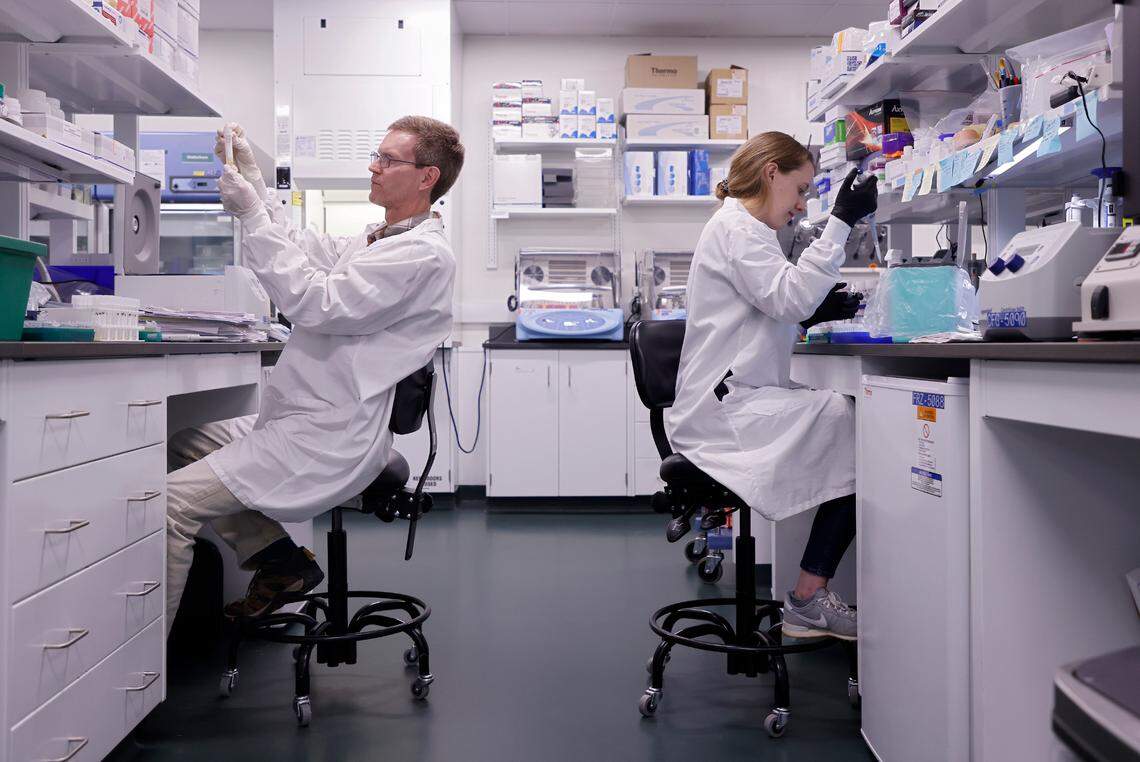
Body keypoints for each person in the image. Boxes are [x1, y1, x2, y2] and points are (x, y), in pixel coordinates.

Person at [165, 116, 465, 630]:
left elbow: (317, 302)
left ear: (426, 177)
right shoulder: (382, 238)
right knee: (189, 441)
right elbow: (305, 248)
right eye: (377, 153)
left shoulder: (422, 255)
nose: (374, 166)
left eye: (389, 160)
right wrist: (255, 184)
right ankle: (279, 562)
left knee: (168, 504)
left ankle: (141, 678)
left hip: (328, 436)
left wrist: (253, 216)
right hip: (302, 419)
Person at [668, 131, 876, 641]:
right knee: (855, 424)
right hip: (724, 413)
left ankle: (810, 591)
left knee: (849, 420)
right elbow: (785, 300)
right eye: (800, 189)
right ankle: (807, 596)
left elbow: (768, 312)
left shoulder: (748, 232)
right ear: (771, 174)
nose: (802, 205)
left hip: (736, 399)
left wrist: (813, 311)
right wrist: (840, 223)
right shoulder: (739, 230)